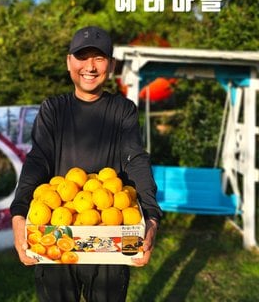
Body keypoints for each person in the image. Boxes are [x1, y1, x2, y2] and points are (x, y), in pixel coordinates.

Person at [10, 26, 162, 302]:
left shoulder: (122, 110)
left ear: (111, 65)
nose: (90, 66)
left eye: (99, 58)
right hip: (56, 234)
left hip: (109, 236)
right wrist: (19, 213)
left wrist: (151, 216)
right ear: (69, 62)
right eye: (82, 56)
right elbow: (38, 159)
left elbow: (136, 159)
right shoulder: (53, 109)